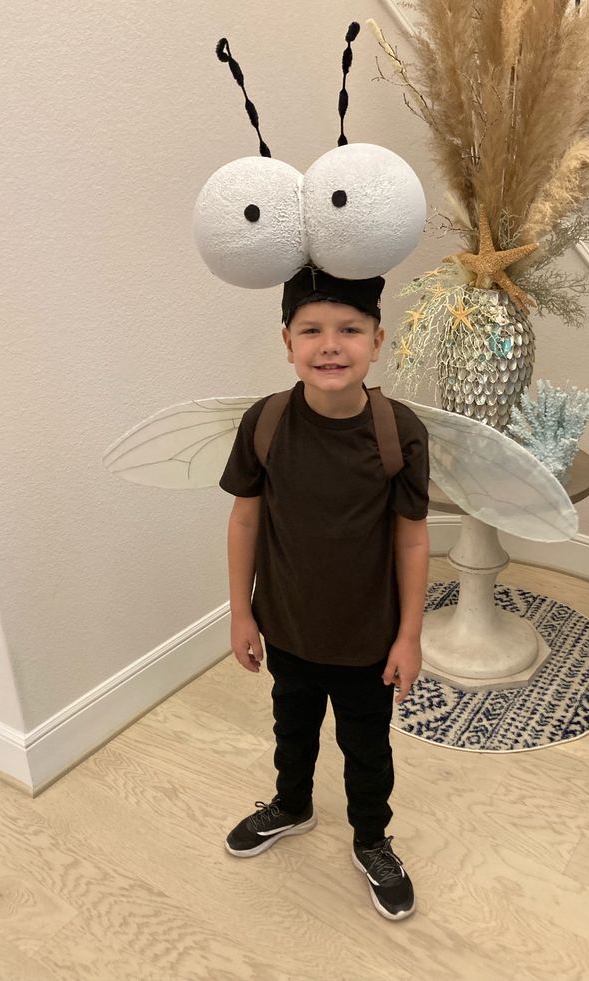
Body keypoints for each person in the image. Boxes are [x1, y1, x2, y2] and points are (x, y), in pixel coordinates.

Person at [218, 265, 430, 921]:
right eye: (311, 329)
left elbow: (413, 540)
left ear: (377, 338)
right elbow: (245, 518)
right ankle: (293, 801)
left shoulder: (400, 433)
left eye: (349, 329)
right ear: (287, 341)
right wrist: (241, 613)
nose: (330, 344)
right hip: (287, 627)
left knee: (368, 747)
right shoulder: (266, 422)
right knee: (293, 726)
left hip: (369, 639)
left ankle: (372, 839)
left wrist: (410, 635)